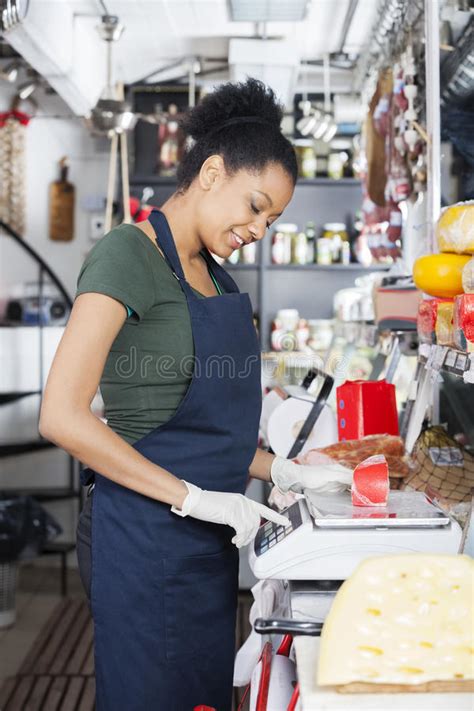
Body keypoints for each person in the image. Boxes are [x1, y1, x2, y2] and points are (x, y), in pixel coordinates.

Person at [39, 78, 352, 711]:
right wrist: (192, 498)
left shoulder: (216, 276)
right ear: (211, 172)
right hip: (143, 537)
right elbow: (62, 416)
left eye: (273, 219)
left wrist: (279, 468)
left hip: (209, 542)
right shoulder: (127, 256)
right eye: (256, 206)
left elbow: (202, 433)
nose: (260, 227)